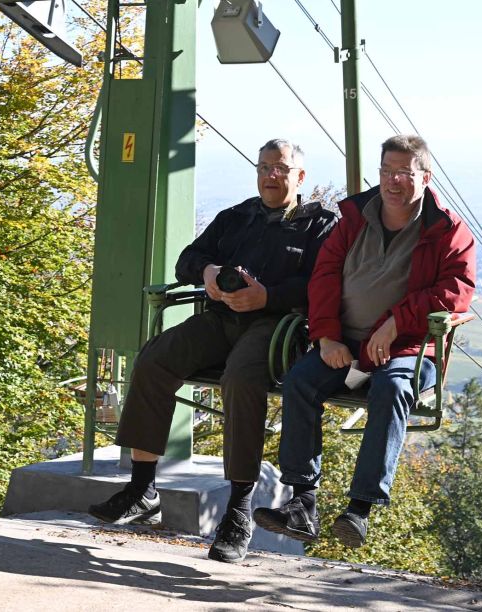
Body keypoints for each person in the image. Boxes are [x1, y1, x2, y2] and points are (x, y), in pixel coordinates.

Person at [88, 139, 337, 564]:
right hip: (221, 320)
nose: (269, 176)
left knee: (239, 378)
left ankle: (237, 511)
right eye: (263, 168)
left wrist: (267, 297)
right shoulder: (237, 217)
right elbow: (188, 259)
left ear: (299, 177)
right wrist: (208, 272)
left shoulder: (319, 224)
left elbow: (323, 286)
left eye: (279, 169)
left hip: (275, 327)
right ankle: (142, 488)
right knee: (154, 359)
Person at [254, 135, 476, 547]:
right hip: (348, 347)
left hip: (407, 349)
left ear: (425, 177)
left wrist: (396, 323)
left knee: (392, 389)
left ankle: (359, 509)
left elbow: (456, 291)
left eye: (404, 174)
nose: (393, 182)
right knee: (301, 381)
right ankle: (302, 503)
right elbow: (324, 276)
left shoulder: (446, 229)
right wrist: (326, 337)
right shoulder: (355, 217)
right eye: (386, 172)